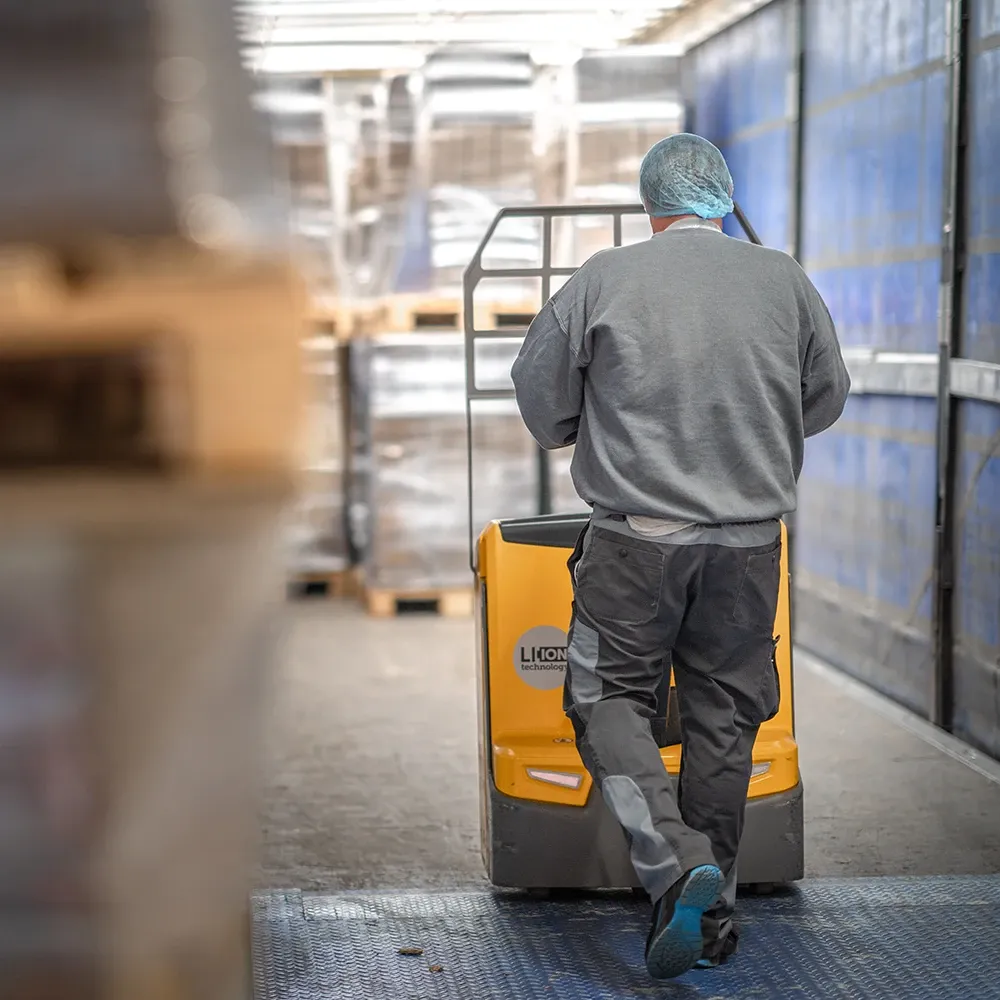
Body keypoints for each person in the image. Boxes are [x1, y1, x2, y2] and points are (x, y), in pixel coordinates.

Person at [510, 133, 850, 981]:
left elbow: (540, 394)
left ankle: (674, 860)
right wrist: (756, 434)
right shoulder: (784, 279)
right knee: (725, 717)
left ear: (649, 202)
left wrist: (582, 428)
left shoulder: (603, 278)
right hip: (750, 546)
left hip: (637, 543)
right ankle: (711, 916)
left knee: (606, 698)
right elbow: (826, 394)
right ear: (724, 198)